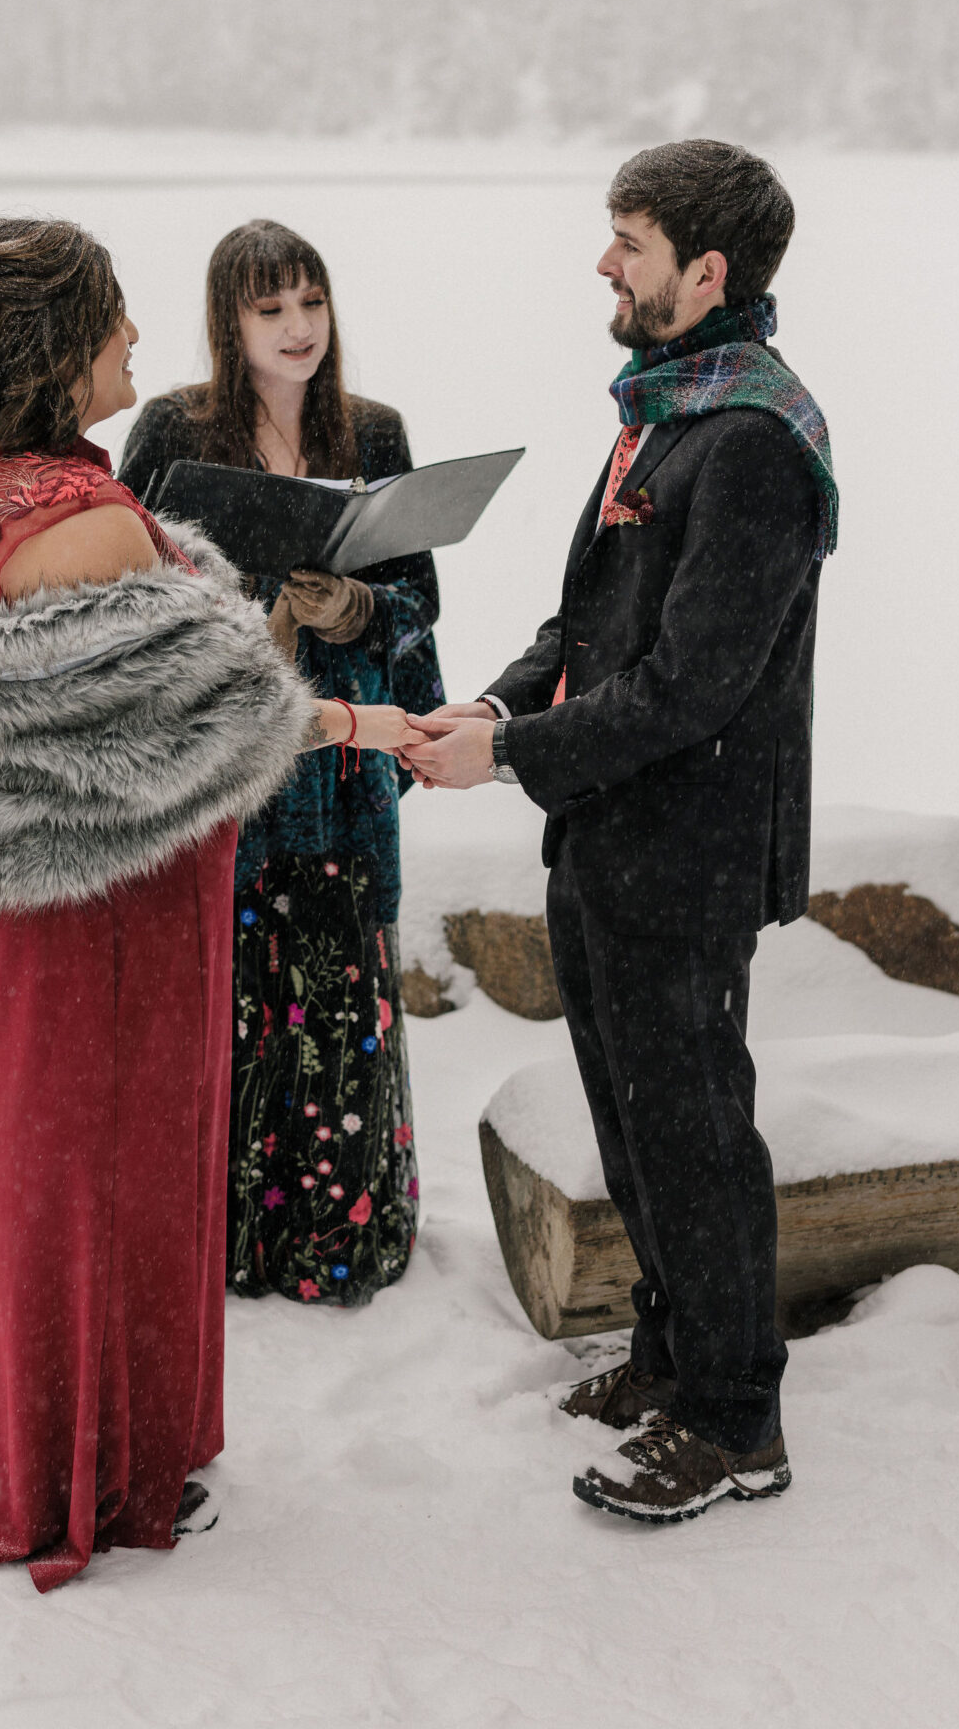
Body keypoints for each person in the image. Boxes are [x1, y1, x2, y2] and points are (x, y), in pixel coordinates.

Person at [0, 218, 410, 1592]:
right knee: (123, 1182)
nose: (130, 342)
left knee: (40, 1185)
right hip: (120, 919)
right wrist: (372, 722)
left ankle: (47, 1447)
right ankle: (104, 1474)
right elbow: (225, 728)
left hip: (25, 898)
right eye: (111, 320)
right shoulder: (97, 524)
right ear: (58, 349)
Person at [400, 141, 837, 1523]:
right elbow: (590, 628)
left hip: (690, 851)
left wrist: (508, 755)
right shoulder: (665, 406)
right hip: (606, 835)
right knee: (631, 1119)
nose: (604, 262)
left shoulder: (755, 444)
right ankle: (667, 1355)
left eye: (628, 241)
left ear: (706, 274)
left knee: (698, 1135)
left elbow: (692, 685)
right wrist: (498, 697)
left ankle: (733, 1419)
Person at [119, 219, 444, 1308]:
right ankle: (221, 1242)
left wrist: (358, 604)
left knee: (340, 993)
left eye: (311, 303)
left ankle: (338, 1242)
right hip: (229, 762)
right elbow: (123, 586)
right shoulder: (174, 426)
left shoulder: (375, 430)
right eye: (271, 310)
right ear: (229, 321)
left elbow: (421, 603)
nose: (299, 328)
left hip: (342, 769)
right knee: (227, 996)